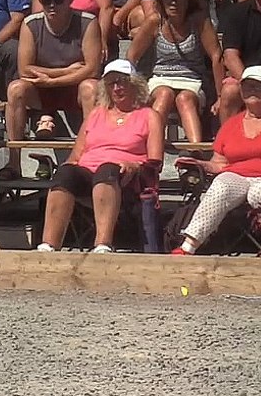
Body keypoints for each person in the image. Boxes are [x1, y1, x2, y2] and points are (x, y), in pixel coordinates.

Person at [35, 60, 164, 253]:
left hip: (125, 177)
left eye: (122, 81)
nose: (117, 88)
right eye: (111, 83)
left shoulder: (148, 116)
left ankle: (103, 244)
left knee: (107, 170)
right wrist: (66, 171)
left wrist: (135, 165)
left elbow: (155, 162)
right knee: (65, 174)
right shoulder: (96, 114)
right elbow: (75, 156)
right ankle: (49, 245)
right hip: (88, 173)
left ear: (135, 84)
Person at [173, 66, 261, 255]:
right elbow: (220, 163)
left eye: (258, 86)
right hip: (240, 177)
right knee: (221, 184)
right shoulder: (231, 124)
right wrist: (200, 164)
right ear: (241, 91)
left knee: (260, 189)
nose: (252, 90)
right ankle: (188, 247)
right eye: (247, 86)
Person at [1, 0, 101, 179]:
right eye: (47, 0)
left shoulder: (88, 22)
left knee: (91, 87)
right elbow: (25, 69)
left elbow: (92, 69)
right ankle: (14, 163)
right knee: (16, 88)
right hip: (42, 88)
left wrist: (52, 79)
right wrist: (66, 71)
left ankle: (90, 159)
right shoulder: (31, 24)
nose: (52, 5)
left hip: (74, 89)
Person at [126, 0, 223, 144]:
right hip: (160, 77)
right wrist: (133, 89)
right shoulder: (155, 21)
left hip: (192, 79)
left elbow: (216, 55)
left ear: (188, 1)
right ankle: (149, 145)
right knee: (164, 94)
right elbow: (132, 55)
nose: (173, 3)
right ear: (161, 1)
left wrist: (220, 95)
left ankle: (195, 149)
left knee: (185, 99)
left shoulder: (199, 22)